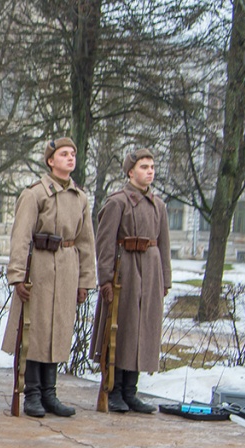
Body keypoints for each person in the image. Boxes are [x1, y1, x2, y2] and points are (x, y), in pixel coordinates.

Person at [1, 137, 96, 417]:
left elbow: (85, 241)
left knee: (58, 330)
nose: (70, 158)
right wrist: (18, 276)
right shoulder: (35, 194)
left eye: (73, 154)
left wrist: (85, 281)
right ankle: (31, 393)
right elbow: (20, 237)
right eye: (63, 154)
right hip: (39, 266)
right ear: (50, 161)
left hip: (67, 268)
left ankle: (50, 393)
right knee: (36, 330)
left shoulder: (80, 198)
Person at [90, 148, 171, 413]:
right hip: (124, 272)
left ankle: (131, 391)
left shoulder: (159, 205)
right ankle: (114, 390)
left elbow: (165, 245)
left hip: (150, 271)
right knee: (121, 330)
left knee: (142, 332)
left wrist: (165, 280)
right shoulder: (117, 202)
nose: (150, 171)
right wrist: (105, 280)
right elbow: (104, 244)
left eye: (152, 167)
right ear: (130, 171)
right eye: (144, 166)